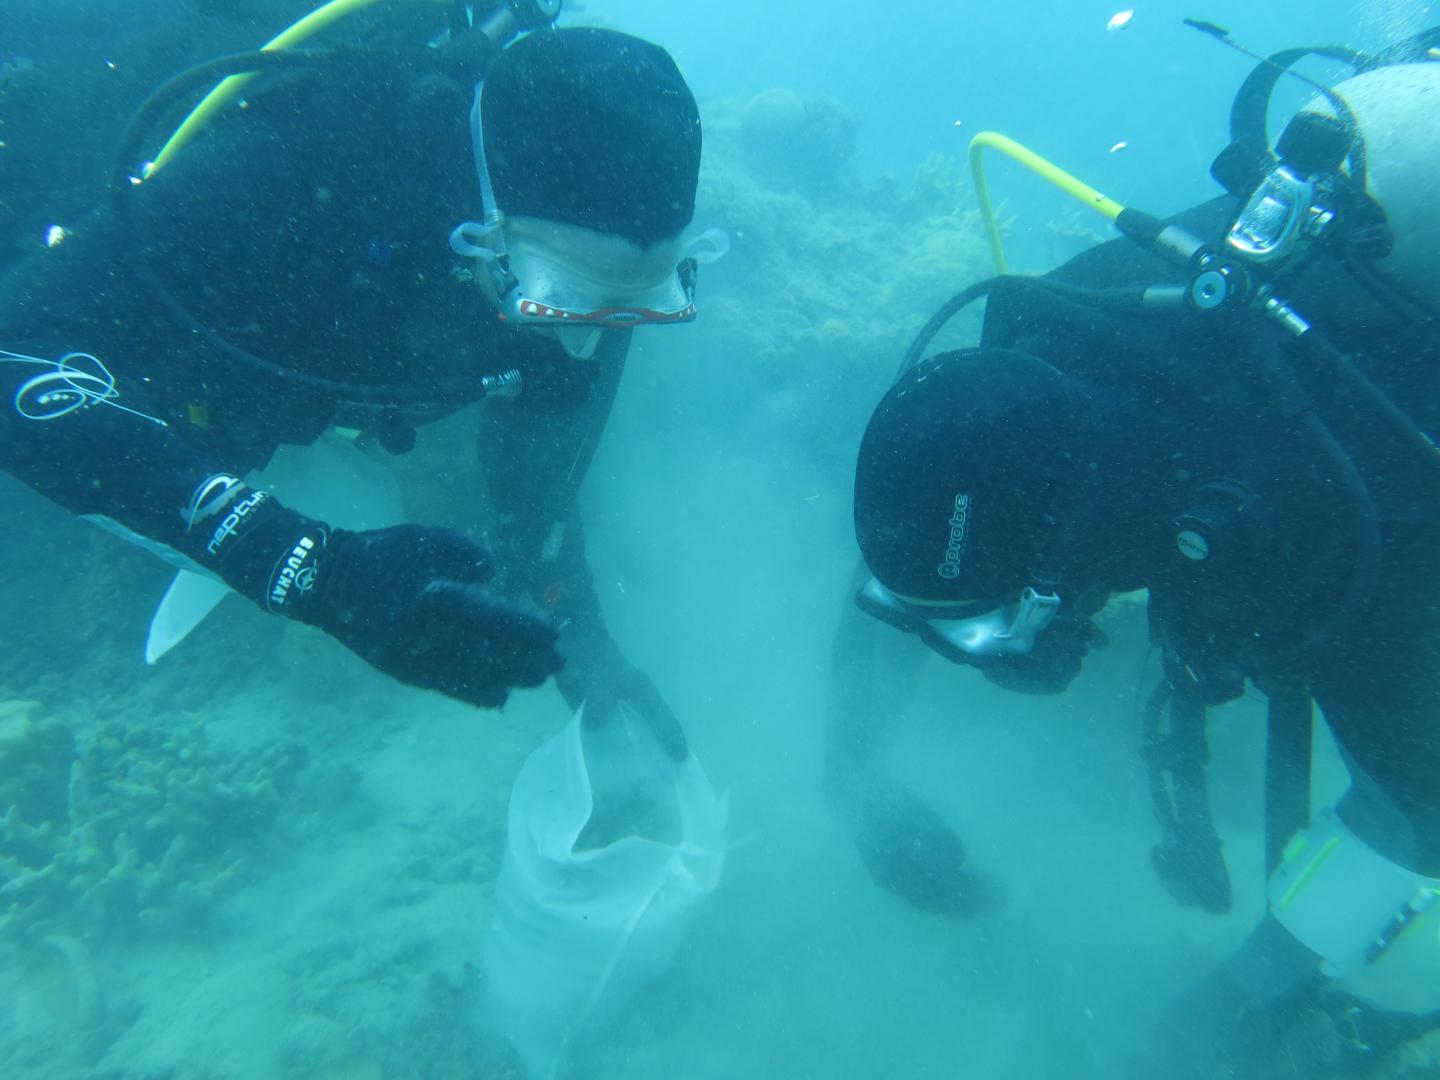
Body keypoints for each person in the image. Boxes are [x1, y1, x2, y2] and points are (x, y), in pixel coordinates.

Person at [828, 29, 1440, 1078]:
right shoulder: (1040, 350)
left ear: (1070, 557)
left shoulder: (1305, 510)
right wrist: (857, 774)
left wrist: (1233, 1010)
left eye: (991, 625)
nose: (984, 655)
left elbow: (1413, 809)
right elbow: (907, 564)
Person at [0, 2, 713, 755]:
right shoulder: (286, 165)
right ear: (482, 222)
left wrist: (568, 611)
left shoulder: (599, 227)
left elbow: (549, 420)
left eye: (637, 304)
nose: (580, 343)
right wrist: (312, 570)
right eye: (558, 299)